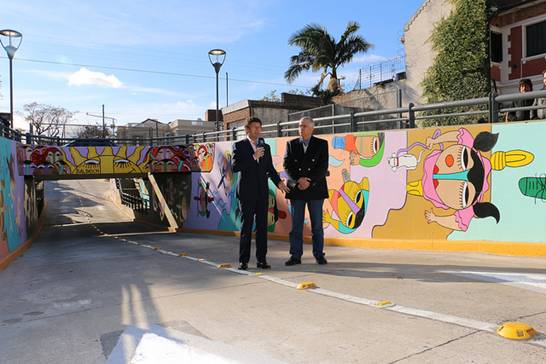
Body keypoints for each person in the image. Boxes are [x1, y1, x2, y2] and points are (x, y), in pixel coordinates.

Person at [232, 117, 289, 270]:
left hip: (262, 192)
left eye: (259, 127)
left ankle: (261, 260)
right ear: (247, 130)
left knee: (262, 228)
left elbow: (269, 168)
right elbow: (235, 167)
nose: (258, 130)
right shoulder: (239, 146)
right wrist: (253, 157)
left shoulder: (265, 147)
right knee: (247, 226)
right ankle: (243, 261)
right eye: (254, 127)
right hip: (246, 193)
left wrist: (278, 182)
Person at [283, 117, 329, 266]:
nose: (300, 129)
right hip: (297, 189)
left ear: (312, 128)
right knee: (296, 225)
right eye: (299, 126)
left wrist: (309, 181)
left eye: (304, 126)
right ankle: (295, 256)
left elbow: (322, 167)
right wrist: (299, 180)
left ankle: (319, 255)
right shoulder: (291, 144)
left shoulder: (322, 144)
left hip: (315, 188)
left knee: (317, 225)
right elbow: (287, 166)